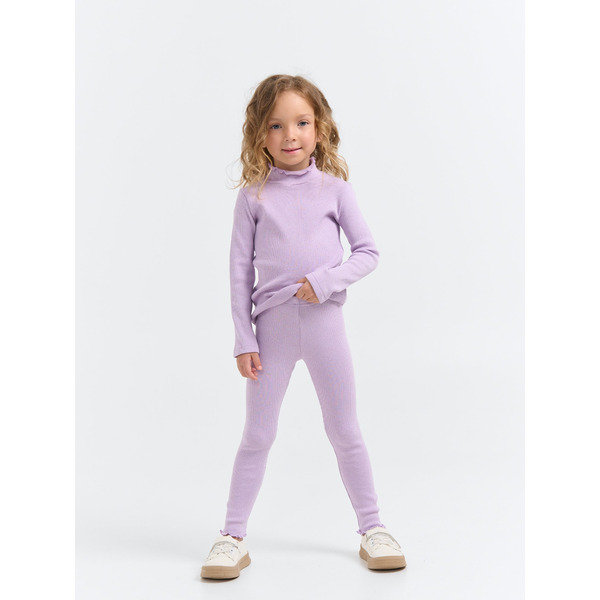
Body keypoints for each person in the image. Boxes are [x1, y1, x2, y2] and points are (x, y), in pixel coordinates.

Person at [201, 74, 406, 580]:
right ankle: (232, 536)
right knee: (257, 434)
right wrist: (243, 338)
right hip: (270, 331)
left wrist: (324, 280)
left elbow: (368, 252)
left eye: (301, 123)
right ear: (259, 134)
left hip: (324, 325)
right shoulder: (253, 198)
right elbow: (238, 273)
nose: (290, 135)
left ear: (320, 128)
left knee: (344, 430)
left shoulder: (335, 190)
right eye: (276, 125)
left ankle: (373, 527)